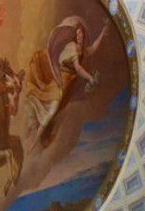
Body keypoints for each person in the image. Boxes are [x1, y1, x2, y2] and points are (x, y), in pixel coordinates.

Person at [27, 16, 108, 148]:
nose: (79, 36)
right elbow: (78, 68)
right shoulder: (72, 47)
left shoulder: (83, 51)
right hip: (60, 84)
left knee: (57, 112)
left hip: (68, 86)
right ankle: (33, 145)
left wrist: (103, 32)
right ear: (75, 36)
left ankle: (44, 136)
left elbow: (93, 48)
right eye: (77, 34)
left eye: (81, 34)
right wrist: (90, 78)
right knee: (51, 112)